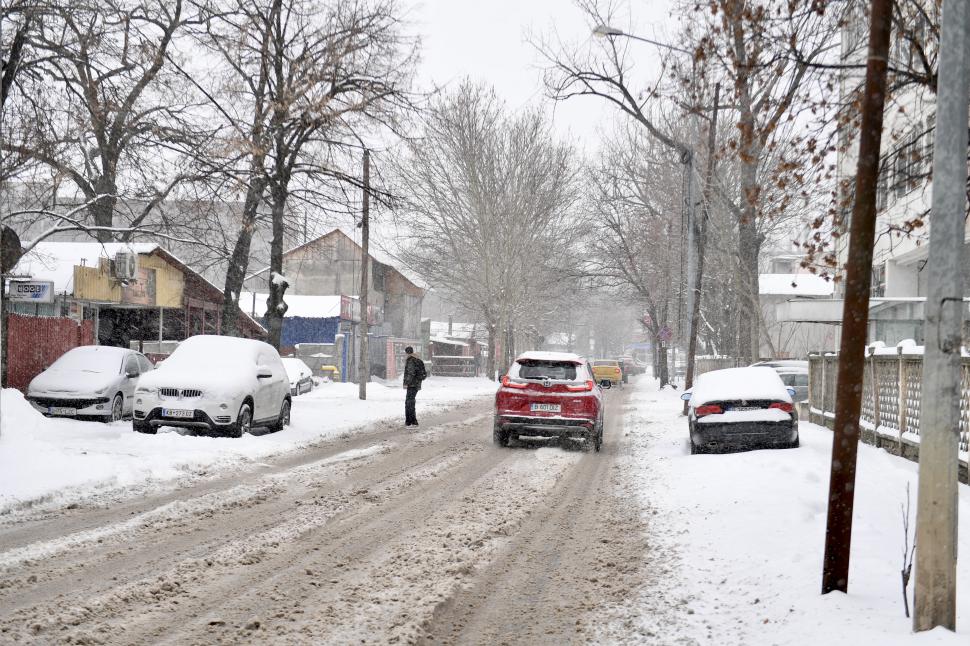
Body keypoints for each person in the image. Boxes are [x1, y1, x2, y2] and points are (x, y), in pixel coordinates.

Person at [402, 346, 427, 426]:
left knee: (409, 402)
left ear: (407, 352)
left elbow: (411, 373)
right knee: (411, 401)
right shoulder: (418, 360)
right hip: (416, 384)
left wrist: (406, 383)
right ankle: (411, 420)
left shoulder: (411, 360)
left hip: (412, 384)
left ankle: (410, 421)